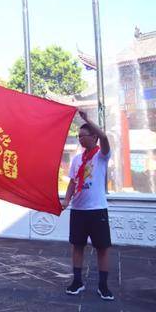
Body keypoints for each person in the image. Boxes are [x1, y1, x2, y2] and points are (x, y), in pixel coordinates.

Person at [62, 110, 114, 301]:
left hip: (97, 210)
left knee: (102, 248)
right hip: (78, 210)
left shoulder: (102, 156)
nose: (80, 140)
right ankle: (77, 282)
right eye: (78, 137)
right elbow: (73, 182)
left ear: (93, 137)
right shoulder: (77, 160)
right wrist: (67, 200)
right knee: (77, 246)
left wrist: (87, 120)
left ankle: (103, 286)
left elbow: (105, 137)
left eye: (83, 136)